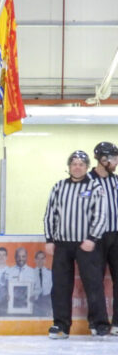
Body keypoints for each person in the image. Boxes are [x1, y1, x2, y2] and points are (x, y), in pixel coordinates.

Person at [43, 150, 109, 338]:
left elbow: (100, 215)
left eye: (81, 164)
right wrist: (49, 239)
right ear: (69, 167)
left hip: (86, 244)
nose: (77, 167)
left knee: (93, 284)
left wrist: (92, 238)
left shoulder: (96, 187)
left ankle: (99, 324)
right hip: (62, 244)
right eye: (74, 164)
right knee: (61, 286)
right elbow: (50, 214)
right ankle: (61, 325)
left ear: (87, 167)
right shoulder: (59, 187)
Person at [89, 141, 118, 334]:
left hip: (116, 236)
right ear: (103, 159)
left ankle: (116, 323)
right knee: (94, 281)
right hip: (94, 237)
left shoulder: (116, 181)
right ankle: (98, 323)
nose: (116, 161)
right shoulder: (86, 181)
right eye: (114, 158)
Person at [3, 247, 41, 313]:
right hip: (12, 309)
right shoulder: (8, 272)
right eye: (18, 256)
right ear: (15, 257)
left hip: (28, 308)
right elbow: (3, 287)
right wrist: (5, 294)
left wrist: (34, 295)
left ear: (26, 257)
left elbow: (38, 288)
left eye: (23, 256)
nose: (21, 259)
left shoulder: (33, 272)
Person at [31, 250, 53, 317]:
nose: (40, 260)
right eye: (38, 258)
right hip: (35, 301)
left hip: (46, 301)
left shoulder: (50, 273)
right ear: (35, 260)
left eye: (42, 258)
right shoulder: (31, 273)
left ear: (45, 260)